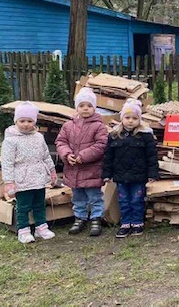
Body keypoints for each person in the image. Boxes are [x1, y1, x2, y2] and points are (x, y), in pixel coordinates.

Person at [55, 87, 109, 236]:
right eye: (82, 106)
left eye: (89, 106)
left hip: (91, 169)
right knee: (78, 197)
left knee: (94, 196)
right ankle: (80, 218)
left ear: (94, 108)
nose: (85, 109)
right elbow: (60, 142)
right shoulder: (68, 126)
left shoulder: (99, 126)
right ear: (77, 108)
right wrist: (67, 155)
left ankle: (96, 218)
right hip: (73, 170)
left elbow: (101, 145)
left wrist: (83, 156)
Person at [102, 99, 158, 238]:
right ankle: (125, 223)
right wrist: (107, 174)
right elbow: (108, 156)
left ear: (139, 119)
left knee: (137, 200)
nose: (130, 121)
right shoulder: (114, 135)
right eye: (127, 117)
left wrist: (152, 174)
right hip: (121, 176)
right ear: (122, 118)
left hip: (139, 176)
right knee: (123, 200)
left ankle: (137, 223)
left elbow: (152, 156)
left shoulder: (145, 136)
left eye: (134, 118)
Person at [2, 101, 57, 243]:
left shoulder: (39, 137)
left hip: (38, 177)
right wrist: (9, 181)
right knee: (24, 206)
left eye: (29, 121)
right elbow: (7, 162)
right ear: (16, 121)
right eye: (22, 121)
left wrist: (52, 171)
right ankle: (23, 229)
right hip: (22, 179)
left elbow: (45, 155)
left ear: (34, 121)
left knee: (39, 204)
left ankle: (41, 227)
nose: (26, 124)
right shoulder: (11, 140)